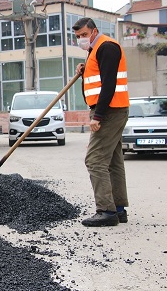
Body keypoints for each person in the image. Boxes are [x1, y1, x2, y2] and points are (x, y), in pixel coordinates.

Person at [72, 17, 130, 227]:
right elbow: (98, 78)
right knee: (113, 161)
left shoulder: (107, 47)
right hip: (112, 109)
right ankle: (118, 209)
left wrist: (98, 116)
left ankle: (106, 210)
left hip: (109, 111)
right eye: (78, 37)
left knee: (94, 160)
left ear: (94, 31)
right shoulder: (95, 51)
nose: (81, 39)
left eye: (84, 35)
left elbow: (109, 85)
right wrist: (84, 70)